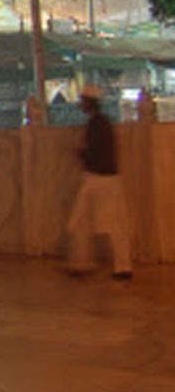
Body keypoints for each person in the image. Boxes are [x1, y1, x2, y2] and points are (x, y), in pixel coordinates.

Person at [67, 84, 132, 280]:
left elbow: (93, 155)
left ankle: (82, 263)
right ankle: (122, 267)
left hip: (96, 179)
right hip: (110, 179)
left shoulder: (95, 125)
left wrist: (80, 153)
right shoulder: (104, 123)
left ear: (88, 103)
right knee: (115, 225)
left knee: (80, 221)